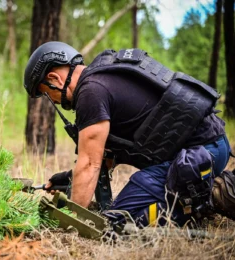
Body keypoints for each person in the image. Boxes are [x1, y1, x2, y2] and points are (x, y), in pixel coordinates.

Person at [23, 41, 235, 227]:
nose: (55, 100)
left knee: (119, 219)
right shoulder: (103, 77)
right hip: (212, 147)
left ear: (54, 78)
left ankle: (212, 197)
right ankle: (193, 196)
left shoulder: (90, 92)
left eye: (48, 93)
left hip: (199, 156)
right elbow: (103, 158)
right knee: (121, 209)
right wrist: (71, 180)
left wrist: (71, 219)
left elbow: (90, 164)